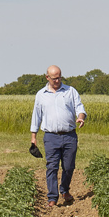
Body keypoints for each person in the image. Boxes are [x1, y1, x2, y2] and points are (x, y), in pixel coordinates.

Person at [30, 65, 86, 207]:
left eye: (59, 77)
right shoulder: (41, 95)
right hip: (50, 136)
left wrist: (80, 117)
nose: (57, 80)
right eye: (54, 78)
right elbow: (36, 117)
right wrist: (33, 137)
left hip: (69, 136)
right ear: (47, 77)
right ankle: (52, 198)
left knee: (69, 167)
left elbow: (80, 107)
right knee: (52, 167)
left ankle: (65, 190)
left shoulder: (70, 91)